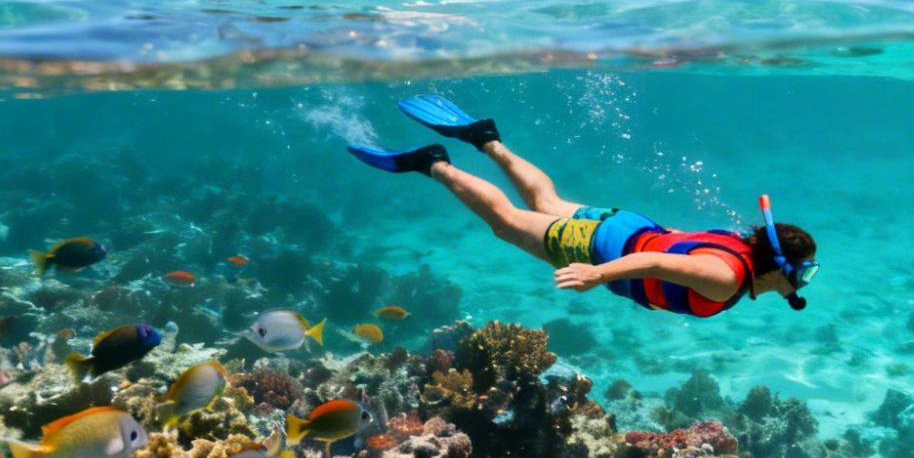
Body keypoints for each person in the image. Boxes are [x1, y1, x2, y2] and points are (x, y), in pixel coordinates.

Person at [346, 95, 818, 316]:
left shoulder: (737, 241)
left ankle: (487, 140)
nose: (799, 283)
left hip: (626, 223)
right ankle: (434, 164)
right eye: (801, 273)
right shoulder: (727, 278)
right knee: (507, 223)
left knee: (544, 200)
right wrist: (597, 274)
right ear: (779, 265)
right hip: (601, 248)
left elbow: (674, 242)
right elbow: (654, 260)